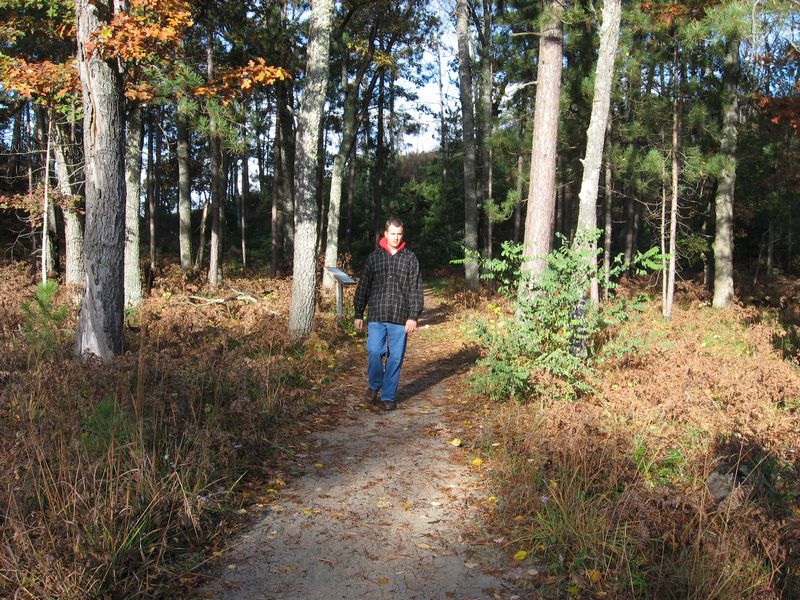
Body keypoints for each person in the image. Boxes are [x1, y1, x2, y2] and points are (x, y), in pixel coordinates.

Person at [354, 217, 424, 411]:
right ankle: (375, 384)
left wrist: (413, 316)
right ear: (385, 234)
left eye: (399, 234)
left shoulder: (410, 258)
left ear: (402, 235)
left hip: (400, 317)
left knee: (395, 357)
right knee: (374, 351)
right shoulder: (374, 257)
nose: (396, 237)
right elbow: (364, 286)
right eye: (392, 234)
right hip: (377, 314)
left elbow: (415, 289)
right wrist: (358, 312)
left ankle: (389, 396)